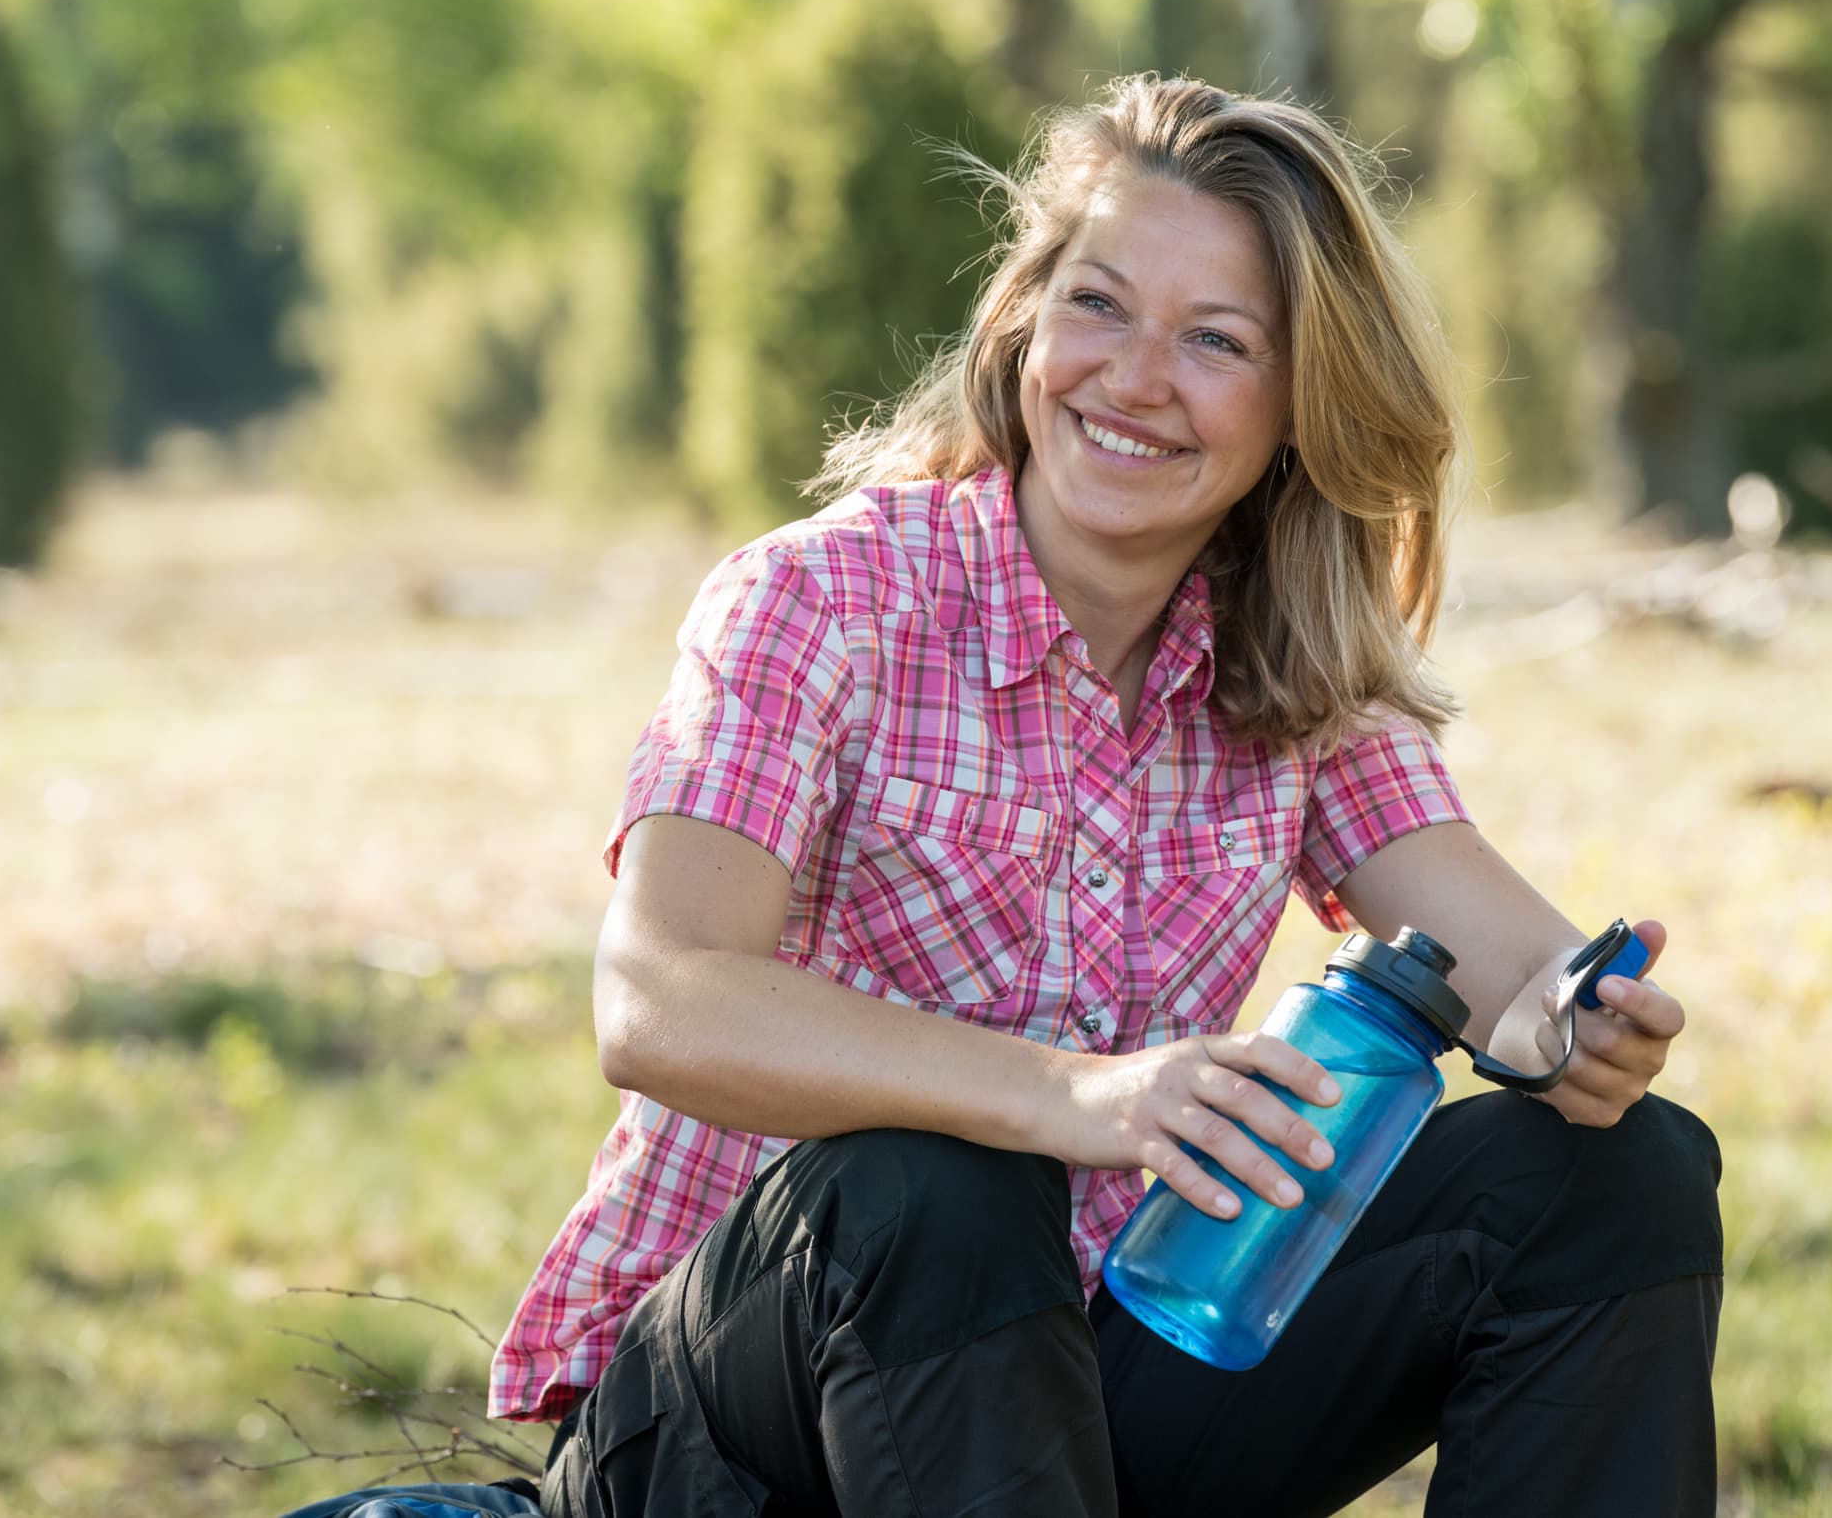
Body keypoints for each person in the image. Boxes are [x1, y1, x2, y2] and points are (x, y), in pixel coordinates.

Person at [487, 75, 1724, 1517]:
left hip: (1066, 1403)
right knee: (938, 1188)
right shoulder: (822, 600)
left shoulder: (1288, 660)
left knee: (1611, 1176)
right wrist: (1073, 1098)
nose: (1135, 378)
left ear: (1298, 405)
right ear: (1024, 322)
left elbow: (1508, 970)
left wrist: (1575, 1026)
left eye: (1214, 341)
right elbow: (661, 1001)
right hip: (738, 1438)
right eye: (1098, 306)